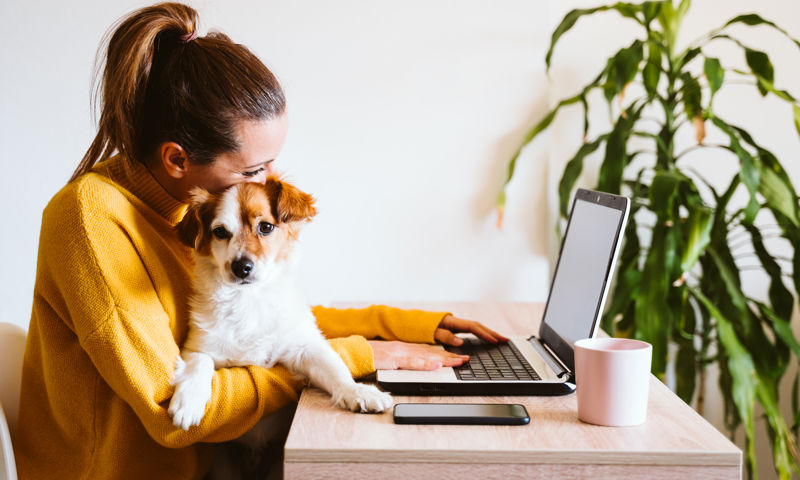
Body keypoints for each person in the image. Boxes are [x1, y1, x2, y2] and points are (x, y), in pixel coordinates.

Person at [13, 3, 507, 479]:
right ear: (177, 159)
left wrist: (407, 327)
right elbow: (172, 414)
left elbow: (262, 320)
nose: (268, 181)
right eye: (254, 168)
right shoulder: (91, 220)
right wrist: (348, 359)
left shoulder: (187, 208)